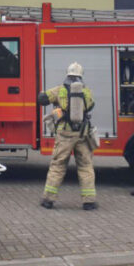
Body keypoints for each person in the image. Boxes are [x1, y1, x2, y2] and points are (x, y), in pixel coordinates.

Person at [38, 62, 98, 211]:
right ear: (81, 74)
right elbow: (91, 106)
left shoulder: (59, 89)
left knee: (58, 165)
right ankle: (89, 201)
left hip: (65, 133)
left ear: (67, 73)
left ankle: (48, 200)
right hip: (82, 134)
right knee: (85, 166)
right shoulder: (86, 91)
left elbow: (42, 99)